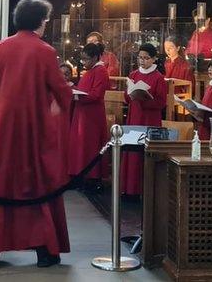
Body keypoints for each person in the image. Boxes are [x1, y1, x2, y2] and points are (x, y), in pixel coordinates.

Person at [0, 0, 74, 269]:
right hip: (35, 127)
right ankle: (44, 252)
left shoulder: (1, 47)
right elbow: (61, 90)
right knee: (37, 183)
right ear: (40, 20)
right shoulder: (45, 51)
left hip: (4, 127)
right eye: (46, 19)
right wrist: (58, 102)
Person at [119, 43, 168, 197]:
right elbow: (126, 98)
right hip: (134, 116)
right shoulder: (133, 74)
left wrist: (145, 99)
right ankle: (128, 189)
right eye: (140, 57)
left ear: (154, 59)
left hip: (149, 119)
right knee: (132, 152)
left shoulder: (159, 78)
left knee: (144, 153)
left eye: (146, 58)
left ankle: (144, 191)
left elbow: (161, 103)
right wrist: (130, 94)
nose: (142, 61)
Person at [68, 42, 110, 185]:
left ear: (95, 58)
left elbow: (96, 95)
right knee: (81, 146)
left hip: (92, 116)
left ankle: (92, 178)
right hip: (83, 113)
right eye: (82, 59)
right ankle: (80, 176)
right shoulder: (91, 71)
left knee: (90, 147)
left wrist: (75, 91)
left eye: (86, 59)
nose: (83, 62)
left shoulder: (100, 71)